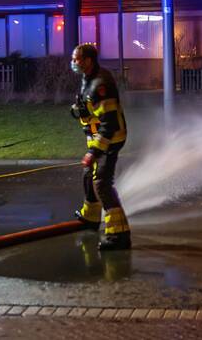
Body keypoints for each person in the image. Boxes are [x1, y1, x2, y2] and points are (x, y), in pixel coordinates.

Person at [70, 43, 131, 250]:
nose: (74, 62)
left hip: (111, 139)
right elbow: (90, 106)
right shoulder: (88, 78)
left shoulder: (101, 83)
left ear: (88, 61)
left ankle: (119, 234)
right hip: (99, 137)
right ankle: (91, 217)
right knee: (88, 174)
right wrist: (78, 110)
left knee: (102, 183)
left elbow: (110, 123)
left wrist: (94, 152)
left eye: (77, 59)